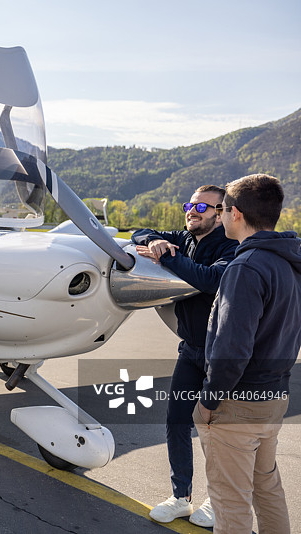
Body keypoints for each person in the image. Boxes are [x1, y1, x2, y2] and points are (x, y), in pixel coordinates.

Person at [193, 174, 300, 534]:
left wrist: (209, 399)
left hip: (238, 402)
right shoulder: (288, 263)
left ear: (235, 214)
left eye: (221, 210)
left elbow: (232, 348)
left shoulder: (245, 267)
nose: (220, 216)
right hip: (274, 396)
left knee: (230, 501)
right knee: (267, 488)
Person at [131, 185, 238, 527]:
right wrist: (154, 241)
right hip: (190, 350)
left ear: (221, 213)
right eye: (190, 204)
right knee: (176, 421)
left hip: (220, 355)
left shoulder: (232, 246)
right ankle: (181, 497)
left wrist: (169, 256)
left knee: (216, 432)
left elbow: (209, 280)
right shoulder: (184, 238)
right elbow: (140, 231)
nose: (192, 210)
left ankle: (218, 501)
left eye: (203, 206)